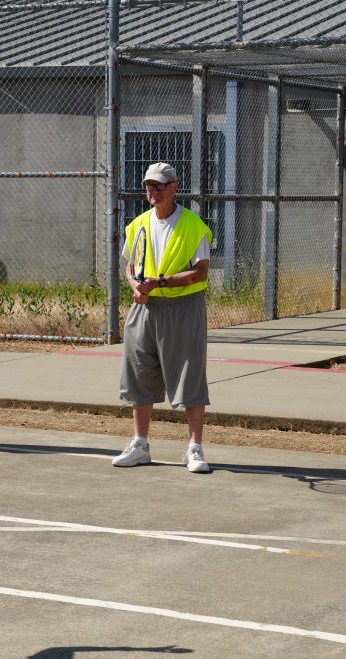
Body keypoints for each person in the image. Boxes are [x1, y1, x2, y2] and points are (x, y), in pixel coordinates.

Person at [112, 162, 213, 474]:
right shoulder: (138, 225)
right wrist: (135, 287)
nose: (152, 191)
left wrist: (162, 282)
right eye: (148, 186)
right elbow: (130, 266)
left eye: (158, 185)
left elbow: (201, 271)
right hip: (144, 309)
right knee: (139, 374)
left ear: (174, 188)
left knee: (189, 376)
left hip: (183, 308)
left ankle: (195, 448)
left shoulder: (193, 225)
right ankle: (140, 444)